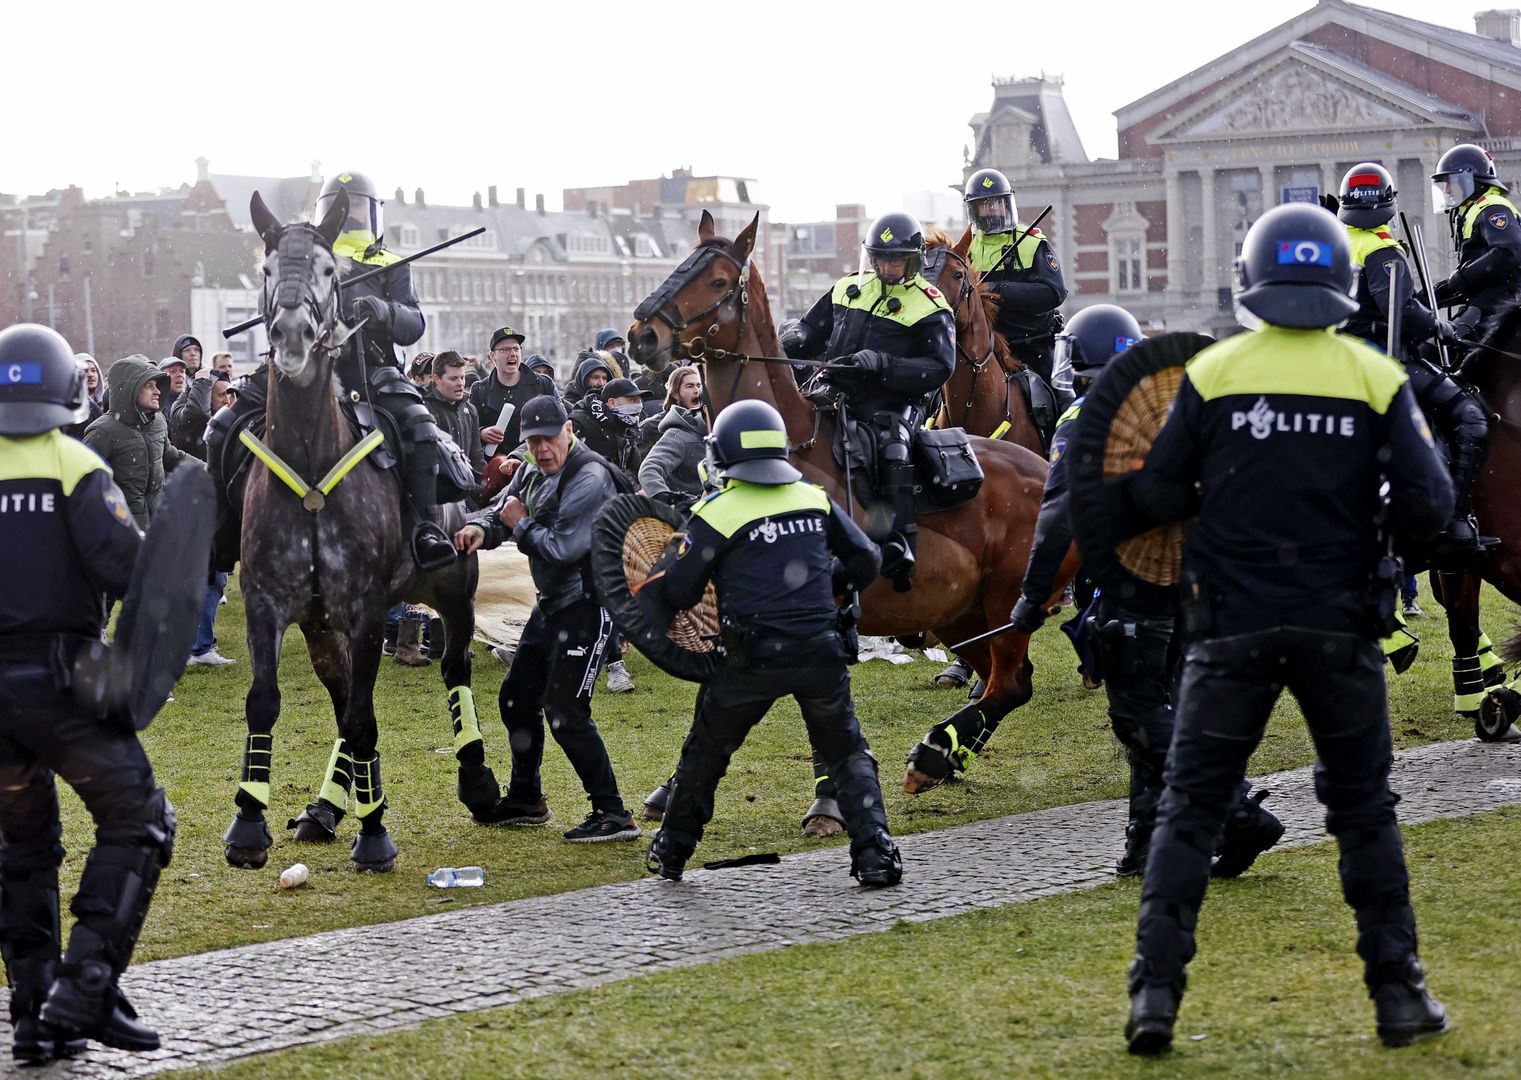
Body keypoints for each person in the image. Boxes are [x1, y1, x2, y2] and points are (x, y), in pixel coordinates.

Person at [1120, 204, 1454, 1054]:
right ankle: (1398, 997)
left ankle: (1153, 999)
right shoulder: (1375, 376)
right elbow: (1432, 505)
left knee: (1189, 811)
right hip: (1340, 625)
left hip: (1228, 625)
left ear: (1249, 280)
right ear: (1341, 283)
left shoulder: (1213, 372)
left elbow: (1155, 495)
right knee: (1363, 812)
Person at [999, 305, 1284, 877]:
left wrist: (1032, 597)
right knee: (1162, 708)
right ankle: (1147, 840)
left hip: (1141, 583)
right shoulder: (1178, 404)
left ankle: (1234, 812)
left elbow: (1060, 516)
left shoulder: (1088, 418)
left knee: (1140, 717)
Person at [0, 323, 174, 1060]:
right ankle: (88, 985)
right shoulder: (73, 462)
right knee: (138, 818)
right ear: (71, 391)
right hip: (60, 681)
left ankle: (35, 1018)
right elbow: (124, 567)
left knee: (23, 846)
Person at [643, 400, 900, 887]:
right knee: (846, 752)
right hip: (820, 649)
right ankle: (874, 855)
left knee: (707, 752)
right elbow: (866, 561)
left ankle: (673, 851)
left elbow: (679, 592)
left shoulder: (716, 512)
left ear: (720, 454)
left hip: (750, 659)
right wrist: (825, 581)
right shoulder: (813, 497)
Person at [205, 169, 457, 571]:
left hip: (370, 370)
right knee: (220, 428)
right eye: (346, 204)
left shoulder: (390, 262)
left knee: (420, 428)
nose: (353, 211)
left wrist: (384, 310)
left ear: (372, 210)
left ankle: (424, 528)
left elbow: (414, 324)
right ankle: (220, 529)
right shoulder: (304, 253)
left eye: (359, 203)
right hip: (299, 368)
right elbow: (269, 299)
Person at [453, 395, 641, 842]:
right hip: (553, 602)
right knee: (517, 698)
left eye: (549, 438)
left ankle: (614, 813)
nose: (541, 450)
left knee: (566, 712)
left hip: (591, 604)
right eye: (533, 441)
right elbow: (502, 506)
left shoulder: (589, 477)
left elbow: (562, 547)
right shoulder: (532, 469)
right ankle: (526, 798)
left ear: (569, 431)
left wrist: (516, 524)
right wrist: (482, 527)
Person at [780, 211, 954, 591]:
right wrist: (795, 335)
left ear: (914, 261)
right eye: (881, 258)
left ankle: (901, 547)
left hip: (892, 401)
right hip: (833, 389)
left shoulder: (931, 304)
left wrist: (884, 365)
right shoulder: (847, 287)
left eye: (897, 260)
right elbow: (812, 327)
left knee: (893, 449)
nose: (888, 267)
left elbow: (941, 366)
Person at [1334, 161, 1490, 556]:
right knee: (1469, 414)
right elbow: (1400, 311)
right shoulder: (1382, 249)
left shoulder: (1338, 244)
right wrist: (1441, 328)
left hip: (1339, 358)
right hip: (1385, 359)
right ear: (1388, 201)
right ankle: (1453, 521)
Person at [962, 167, 1068, 439]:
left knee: (1063, 397)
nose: (993, 209)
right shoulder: (966, 250)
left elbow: (1054, 292)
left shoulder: (1031, 242)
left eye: (997, 202)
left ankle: (1065, 449)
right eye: (985, 205)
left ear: (1007, 203)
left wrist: (999, 291)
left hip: (1032, 345)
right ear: (974, 211)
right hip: (983, 351)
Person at [82, 356, 189, 529]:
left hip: (159, 525)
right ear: (130, 390)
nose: (158, 392)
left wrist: (210, 470)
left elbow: (171, 456)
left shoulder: (158, 421)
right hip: (123, 530)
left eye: (157, 385)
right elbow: (84, 484)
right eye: (149, 386)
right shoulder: (103, 431)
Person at [1431, 143, 1521, 327]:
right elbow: (1477, 272)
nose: (1446, 190)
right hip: (1485, 302)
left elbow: (1508, 251)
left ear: (1469, 180)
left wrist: (1462, 277)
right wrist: (1431, 295)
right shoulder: (1472, 209)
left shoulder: (1493, 208)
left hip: (1500, 306)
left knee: (1449, 345)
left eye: (1450, 182)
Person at [469, 326, 557, 461]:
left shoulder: (543, 385)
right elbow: (468, 429)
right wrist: (482, 432)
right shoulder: (480, 391)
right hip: (496, 468)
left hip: (535, 463)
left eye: (516, 349)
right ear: (492, 356)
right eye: (505, 350)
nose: (512, 354)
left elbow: (559, 424)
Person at [638, 366, 707, 506]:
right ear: (675, 393)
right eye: (689, 386)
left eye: (699, 385)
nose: (696, 390)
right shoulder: (675, 433)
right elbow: (648, 468)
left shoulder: (714, 427)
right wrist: (672, 502)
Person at [570, 376, 648, 485]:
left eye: (639, 400)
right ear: (612, 402)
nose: (638, 405)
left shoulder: (627, 426)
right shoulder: (581, 423)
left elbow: (634, 468)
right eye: (632, 400)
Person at [63, 354, 104, 440]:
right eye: (85, 371)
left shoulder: (107, 405)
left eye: (93, 370)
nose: (90, 375)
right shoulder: (73, 409)